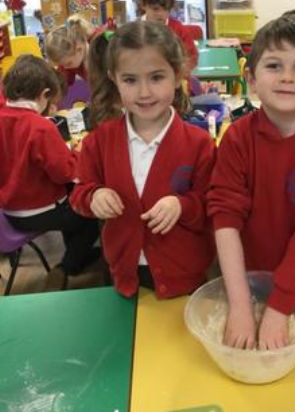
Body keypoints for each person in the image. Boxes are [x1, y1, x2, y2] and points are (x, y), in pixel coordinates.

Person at [207, 12, 295, 349]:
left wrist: (280, 306)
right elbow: (225, 219)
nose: (287, 77)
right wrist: (240, 305)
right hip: (246, 283)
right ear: (251, 79)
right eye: (273, 65)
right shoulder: (237, 138)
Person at [70, 21, 216, 298]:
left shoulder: (199, 144)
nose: (144, 92)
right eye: (130, 80)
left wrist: (182, 205)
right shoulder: (98, 142)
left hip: (184, 276)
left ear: (178, 75)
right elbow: (79, 193)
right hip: (124, 272)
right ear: (114, 79)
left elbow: (211, 203)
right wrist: (93, 196)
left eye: (156, 78)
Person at [0, 55, 100, 289]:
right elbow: (65, 173)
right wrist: (78, 152)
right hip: (39, 209)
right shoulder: (40, 127)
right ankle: (67, 267)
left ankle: (74, 258)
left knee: (72, 204)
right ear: (44, 95)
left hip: (9, 211)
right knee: (90, 212)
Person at [138, 0, 198, 72]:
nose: (161, 14)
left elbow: (192, 57)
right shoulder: (134, 31)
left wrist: (178, 72)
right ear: (143, 5)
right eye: (155, 9)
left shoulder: (179, 30)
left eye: (166, 9)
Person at [45, 14, 96, 86]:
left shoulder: (100, 47)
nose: (66, 67)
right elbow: (63, 81)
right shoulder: (69, 58)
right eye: (62, 65)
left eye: (69, 63)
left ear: (79, 49)